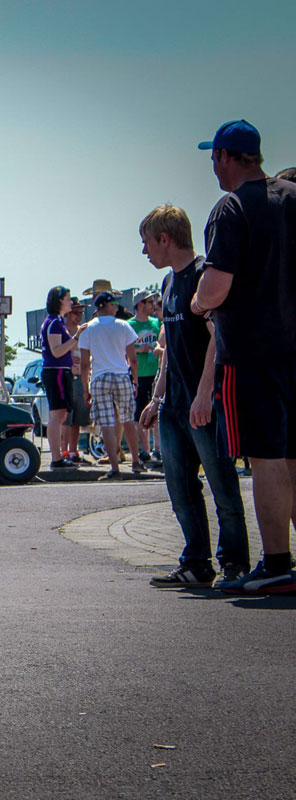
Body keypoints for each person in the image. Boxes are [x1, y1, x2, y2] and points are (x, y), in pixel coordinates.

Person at [192, 119, 296, 594]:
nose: (213, 166)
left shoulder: (230, 208)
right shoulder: (291, 198)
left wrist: (197, 301)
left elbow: (215, 288)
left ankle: (276, 563)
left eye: (214, 157)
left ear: (226, 157)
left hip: (252, 355)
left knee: (267, 457)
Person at [137, 204, 249, 588]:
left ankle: (234, 562)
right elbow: (169, 348)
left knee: (222, 485)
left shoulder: (203, 276)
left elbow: (218, 338)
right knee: (180, 486)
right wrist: (157, 398)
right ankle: (196, 562)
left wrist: (205, 396)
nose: (145, 251)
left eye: (147, 243)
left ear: (165, 239)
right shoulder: (168, 285)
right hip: (173, 406)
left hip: (205, 405)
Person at [78, 291, 141, 478]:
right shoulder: (123, 326)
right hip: (121, 376)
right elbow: (133, 359)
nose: (116, 307)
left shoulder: (88, 329)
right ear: (105, 305)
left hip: (99, 378)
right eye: (113, 304)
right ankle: (136, 461)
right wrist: (135, 380)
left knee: (106, 424)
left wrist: (85, 388)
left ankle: (114, 467)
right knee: (128, 419)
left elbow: (84, 364)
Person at [39, 286, 87, 470]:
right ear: (59, 300)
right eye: (68, 299)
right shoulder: (54, 322)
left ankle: (58, 456)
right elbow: (56, 351)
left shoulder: (57, 321)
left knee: (61, 414)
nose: (71, 303)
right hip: (55, 371)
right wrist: (76, 336)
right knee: (57, 414)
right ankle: (56, 457)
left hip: (61, 370)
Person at [128, 289, 161, 465]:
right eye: (149, 302)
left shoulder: (156, 323)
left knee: (157, 412)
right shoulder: (130, 325)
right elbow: (124, 349)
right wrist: (139, 349)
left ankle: (158, 449)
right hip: (139, 375)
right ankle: (145, 450)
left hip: (156, 375)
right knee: (141, 413)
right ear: (140, 304)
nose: (153, 305)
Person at [63, 298, 92, 464]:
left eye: (81, 312)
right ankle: (64, 452)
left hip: (81, 376)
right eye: (75, 312)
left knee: (78, 419)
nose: (79, 316)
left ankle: (74, 452)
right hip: (67, 376)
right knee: (66, 418)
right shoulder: (63, 330)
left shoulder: (84, 331)